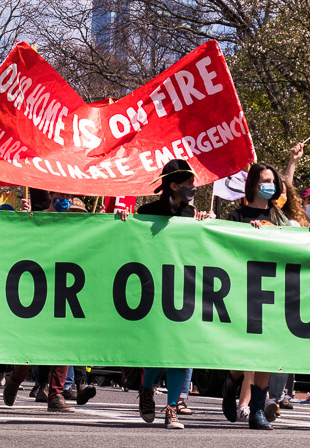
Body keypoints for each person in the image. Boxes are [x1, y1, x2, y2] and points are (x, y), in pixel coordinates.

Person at [135, 159, 213, 429]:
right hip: (154, 289)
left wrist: (208, 225)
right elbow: (133, 243)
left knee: (180, 352)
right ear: (173, 185)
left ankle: (171, 409)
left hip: (184, 290)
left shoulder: (191, 215)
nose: (193, 189)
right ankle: (146, 389)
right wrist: (124, 222)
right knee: (159, 351)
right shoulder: (146, 212)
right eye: (189, 184)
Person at [222, 162, 288, 430]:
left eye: (272, 181)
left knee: (267, 352)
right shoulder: (236, 217)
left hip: (273, 293)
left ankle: (258, 410)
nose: (268, 185)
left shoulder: (282, 219)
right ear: (252, 184)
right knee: (243, 354)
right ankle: (232, 380)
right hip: (242, 292)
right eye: (264, 180)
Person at [2, 191, 81, 413]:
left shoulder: (77, 223)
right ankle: (15, 380)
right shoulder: (35, 218)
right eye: (60, 194)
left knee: (63, 342)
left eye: (68, 195)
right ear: (51, 194)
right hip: (37, 289)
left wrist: (113, 219)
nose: (64, 198)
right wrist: (23, 220)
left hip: (63, 288)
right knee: (30, 344)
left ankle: (55, 395)